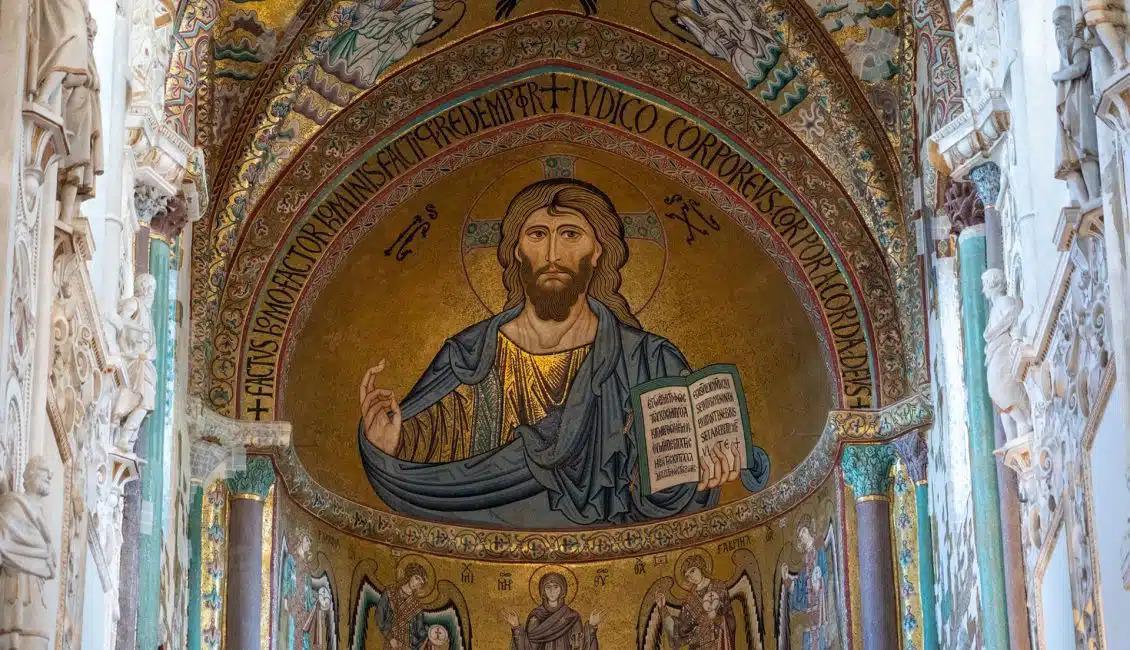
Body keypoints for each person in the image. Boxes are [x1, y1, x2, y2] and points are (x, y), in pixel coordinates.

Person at [359, 178, 733, 527]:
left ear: (598, 250)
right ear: (517, 251)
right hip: (491, 549)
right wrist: (389, 445)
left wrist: (703, 473)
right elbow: (432, 455)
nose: (553, 253)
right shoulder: (470, 357)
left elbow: (664, 492)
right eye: (538, 235)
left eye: (570, 234)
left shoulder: (647, 361)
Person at [0, 458, 55, 650]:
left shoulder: (42, 519)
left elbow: (49, 562)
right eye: (43, 470)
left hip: (36, 597)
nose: (50, 475)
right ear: (28, 476)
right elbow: (3, 542)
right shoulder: (13, 505)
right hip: (16, 593)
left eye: (50, 472)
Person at [657, 556, 735, 649]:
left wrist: (717, 618)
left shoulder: (719, 586)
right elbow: (681, 630)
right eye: (687, 576)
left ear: (700, 566)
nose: (691, 577)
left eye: (692, 571)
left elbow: (730, 618)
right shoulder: (689, 600)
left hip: (718, 643)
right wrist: (663, 608)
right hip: (698, 645)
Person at [505, 572, 599, 649]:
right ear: (543, 591)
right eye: (548, 587)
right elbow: (528, 647)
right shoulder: (536, 616)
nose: (552, 591)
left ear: (562, 590)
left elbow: (579, 646)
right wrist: (516, 627)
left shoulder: (572, 616)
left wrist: (591, 627)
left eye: (556, 587)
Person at [377, 563, 429, 649]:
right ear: (410, 575)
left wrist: (430, 634)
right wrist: (390, 638)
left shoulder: (417, 605)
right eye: (416, 578)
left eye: (420, 582)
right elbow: (380, 616)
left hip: (407, 645)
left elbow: (420, 631)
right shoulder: (390, 592)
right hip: (391, 642)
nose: (417, 583)